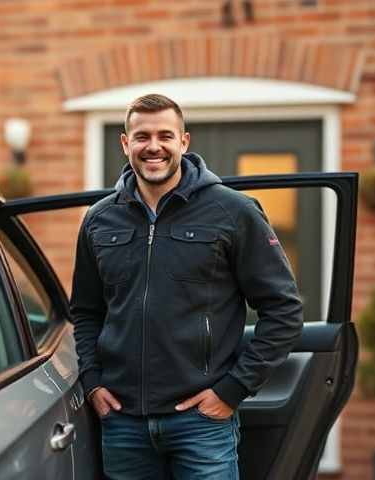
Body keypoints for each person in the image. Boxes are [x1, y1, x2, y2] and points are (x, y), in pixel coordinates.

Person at [70, 94, 303, 480]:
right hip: (123, 424)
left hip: (202, 423)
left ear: (184, 142)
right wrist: (93, 383)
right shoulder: (99, 221)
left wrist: (233, 389)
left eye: (165, 135)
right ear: (126, 144)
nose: (154, 146)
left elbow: (284, 310)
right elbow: (86, 312)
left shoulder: (234, 212)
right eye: (142, 136)